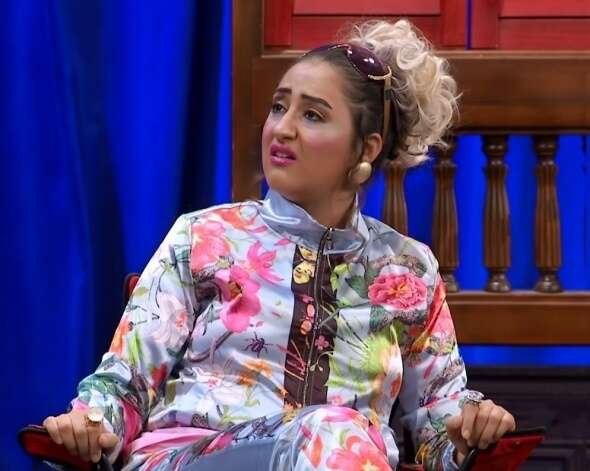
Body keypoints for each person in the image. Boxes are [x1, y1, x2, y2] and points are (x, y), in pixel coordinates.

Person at [43, 19, 516, 471]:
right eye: (278, 107)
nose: (282, 128)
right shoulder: (204, 236)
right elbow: (125, 381)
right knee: (336, 431)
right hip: (196, 458)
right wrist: (89, 422)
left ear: (366, 149)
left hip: (340, 453)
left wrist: (470, 432)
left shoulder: (408, 270)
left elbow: (440, 429)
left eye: (312, 115)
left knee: (337, 433)